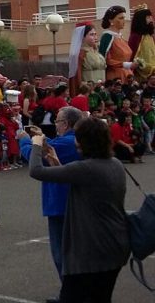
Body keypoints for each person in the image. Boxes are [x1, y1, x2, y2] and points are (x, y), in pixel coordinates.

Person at [29, 118, 130, 303]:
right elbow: (80, 184)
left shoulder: (85, 168)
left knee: (72, 296)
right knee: (101, 297)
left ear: (85, 141)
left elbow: (36, 171)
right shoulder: (114, 164)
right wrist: (57, 163)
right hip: (114, 244)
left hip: (90, 250)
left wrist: (35, 145)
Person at [19, 106, 83, 291]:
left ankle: (70, 292)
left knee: (61, 251)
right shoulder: (76, 141)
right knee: (74, 250)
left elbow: (34, 157)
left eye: (58, 121)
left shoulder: (65, 143)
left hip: (60, 203)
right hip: (75, 202)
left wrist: (25, 141)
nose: (56, 125)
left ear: (67, 124)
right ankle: (75, 291)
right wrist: (39, 137)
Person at [68, 22, 106, 97]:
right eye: (91, 34)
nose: (95, 37)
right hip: (89, 92)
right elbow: (77, 75)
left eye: (95, 34)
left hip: (102, 90)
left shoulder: (96, 52)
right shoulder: (80, 54)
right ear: (82, 37)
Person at [99, 6, 135, 83]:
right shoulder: (107, 37)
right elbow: (105, 60)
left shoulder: (120, 37)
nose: (124, 21)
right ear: (111, 20)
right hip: (116, 76)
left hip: (127, 74)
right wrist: (125, 64)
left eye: (124, 18)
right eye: (120, 18)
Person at [130, 6, 155, 83]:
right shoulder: (135, 37)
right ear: (141, 20)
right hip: (142, 77)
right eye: (148, 17)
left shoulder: (149, 36)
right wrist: (150, 69)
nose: (151, 19)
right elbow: (134, 58)